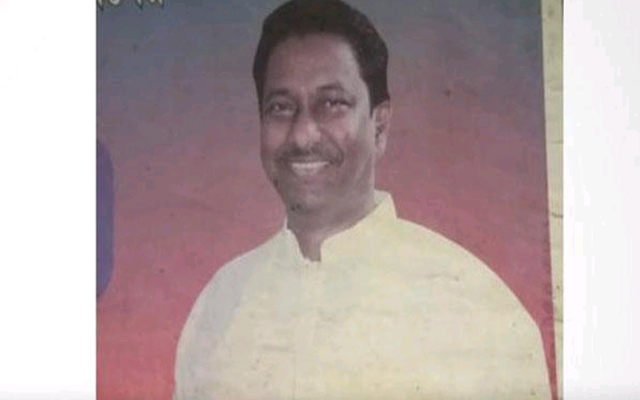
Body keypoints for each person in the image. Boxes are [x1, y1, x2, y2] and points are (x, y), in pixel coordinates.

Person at [173, 0, 552, 399]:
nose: (303, 135)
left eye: (332, 103)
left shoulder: (476, 309)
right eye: (281, 107)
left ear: (380, 126)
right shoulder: (219, 307)